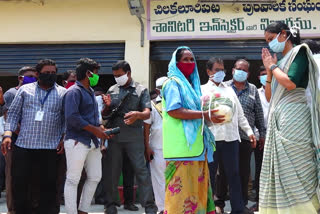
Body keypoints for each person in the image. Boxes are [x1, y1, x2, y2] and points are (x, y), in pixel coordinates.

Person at [260, 22, 320, 213]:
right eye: (267, 41)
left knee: (298, 165)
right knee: (283, 170)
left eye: (271, 39)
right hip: (279, 117)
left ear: (283, 34)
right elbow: (269, 97)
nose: (270, 44)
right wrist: (269, 72)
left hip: (295, 116)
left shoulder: (299, 53)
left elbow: (290, 83)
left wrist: (273, 66)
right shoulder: (281, 61)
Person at [162, 46, 225, 214]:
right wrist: (205, 114)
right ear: (176, 63)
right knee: (180, 198)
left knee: (197, 195)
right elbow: (174, 111)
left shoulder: (192, 86)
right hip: (181, 150)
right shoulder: (172, 84)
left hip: (196, 148)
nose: (190, 63)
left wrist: (208, 115)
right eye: (185, 60)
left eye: (192, 60)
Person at [1, 59, 66, 214]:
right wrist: (8, 134)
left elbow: (65, 119)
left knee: (48, 187)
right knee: (21, 186)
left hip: (50, 149)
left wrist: (63, 137)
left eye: (53, 73)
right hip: (24, 147)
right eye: (46, 73)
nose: (50, 76)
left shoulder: (63, 93)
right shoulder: (25, 90)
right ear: (38, 74)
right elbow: (13, 114)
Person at [101, 60, 158, 214]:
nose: (117, 78)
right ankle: (110, 205)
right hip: (115, 136)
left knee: (141, 172)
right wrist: (106, 106)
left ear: (128, 73)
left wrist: (137, 114)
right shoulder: (112, 89)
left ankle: (149, 206)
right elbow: (105, 115)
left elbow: (147, 112)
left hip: (134, 137)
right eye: (115, 75)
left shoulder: (141, 90)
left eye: (119, 75)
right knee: (112, 172)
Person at [201, 58, 256, 214]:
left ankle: (238, 208)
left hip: (231, 139)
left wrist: (250, 132)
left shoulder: (229, 90)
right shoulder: (201, 90)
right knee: (210, 175)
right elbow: (197, 116)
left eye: (222, 69)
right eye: (217, 70)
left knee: (234, 174)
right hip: (211, 140)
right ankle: (209, 207)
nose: (220, 73)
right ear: (208, 72)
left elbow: (240, 116)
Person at [63, 58, 111, 214]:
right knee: (73, 179)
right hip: (77, 140)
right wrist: (95, 129)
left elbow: (91, 116)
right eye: (95, 73)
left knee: (95, 176)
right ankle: (71, 212)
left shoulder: (90, 91)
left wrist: (99, 127)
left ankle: (83, 210)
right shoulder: (73, 91)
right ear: (87, 73)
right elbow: (72, 117)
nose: (97, 76)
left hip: (92, 141)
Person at [224, 59, 266, 213]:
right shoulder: (224, 87)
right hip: (227, 137)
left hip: (246, 138)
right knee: (225, 172)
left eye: (244, 70)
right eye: (238, 68)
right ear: (233, 70)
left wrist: (261, 134)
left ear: (248, 73)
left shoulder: (253, 89)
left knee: (243, 172)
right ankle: (220, 203)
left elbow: (259, 114)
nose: (241, 71)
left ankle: (242, 204)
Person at [2, 66, 38, 214]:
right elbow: (8, 117)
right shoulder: (12, 93)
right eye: (29, 76)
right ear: (20, 78)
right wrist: (25, 133)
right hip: (15, 141)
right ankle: (12, 209)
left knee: (31, 175)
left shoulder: (35, 93)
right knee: (12, 175)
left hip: (33, 142)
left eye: (34, 76)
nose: (32, 79)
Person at [144, 76, 168, 214]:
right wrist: (147, 147)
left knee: (174, 179)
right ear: (157, 90)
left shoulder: (175, 103)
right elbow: (146, 127)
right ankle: (162, 208)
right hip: (157, 147)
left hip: (175, 148)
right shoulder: (152, 105)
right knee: (159, 180)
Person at [249, 66, 270, 212]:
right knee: (260, 170)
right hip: (261, 138)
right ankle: (259, 202)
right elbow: (255, 115)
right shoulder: (255, 92)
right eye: (263, 74)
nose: (265, 77)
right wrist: (258, 134)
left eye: (267, 74)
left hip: (278, 137)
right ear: (258, 77)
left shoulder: (280, 91)